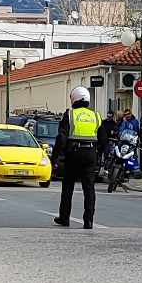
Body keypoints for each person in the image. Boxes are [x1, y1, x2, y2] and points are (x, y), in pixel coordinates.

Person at [52, 86, 99, 229]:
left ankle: (64, 218)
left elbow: (61, 138)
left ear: (73, 99)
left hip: (73, 154)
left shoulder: (70, 115)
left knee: (68, 187)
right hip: (91, 154)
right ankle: (88, 220)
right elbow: (103, 139)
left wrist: (55, 157)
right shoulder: (96, 116)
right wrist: (100, 157)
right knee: (89, 189)